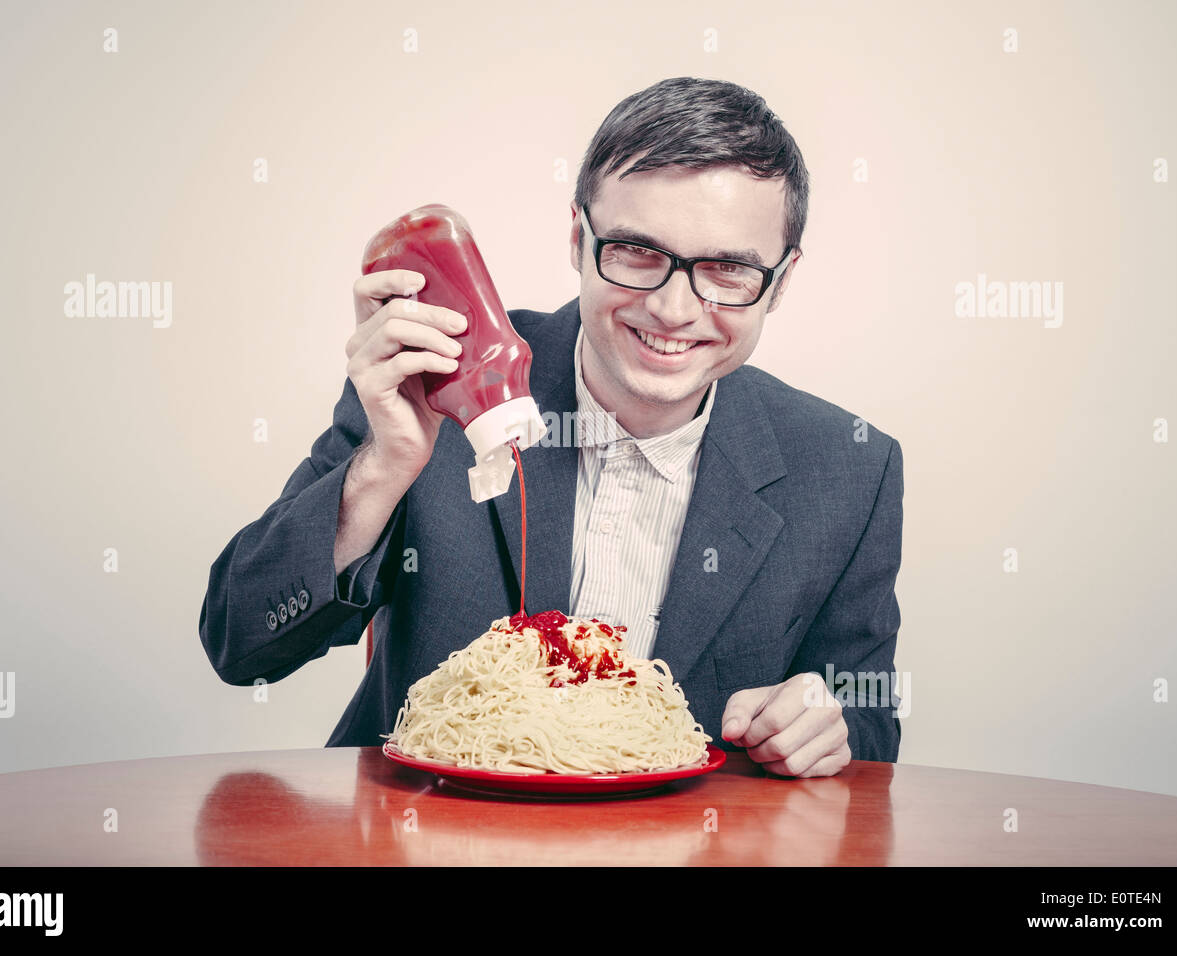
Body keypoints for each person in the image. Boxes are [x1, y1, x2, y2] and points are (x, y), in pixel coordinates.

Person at [199, 76, 904, 778]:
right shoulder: (437, 386)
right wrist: (384, 468)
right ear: (578, 237)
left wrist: (827, 720)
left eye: (727, 269)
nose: (674, 308)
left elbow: (866, 730)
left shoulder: (848, 469)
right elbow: (239, 644)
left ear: (780, 281)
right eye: (636, 251)